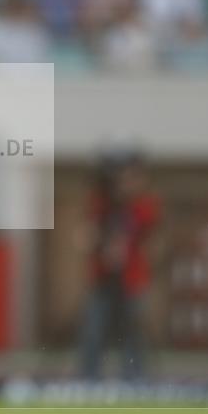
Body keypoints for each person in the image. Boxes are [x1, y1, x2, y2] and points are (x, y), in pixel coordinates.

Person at [78, 148, 159, 381]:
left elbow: (148, 235)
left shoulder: (144, 204)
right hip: (101, 278)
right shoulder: (100, 204)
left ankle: (134, 377)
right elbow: (87, 234)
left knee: (133, 331)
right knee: (93, 329)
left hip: (132, 279)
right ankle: (88, 378)